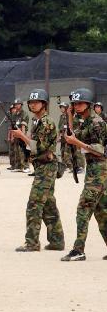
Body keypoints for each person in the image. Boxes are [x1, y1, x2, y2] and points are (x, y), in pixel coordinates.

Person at [11, 89, 64, 252]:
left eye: (36, 102)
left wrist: (22, 136)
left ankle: (32, 242)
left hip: (47, 167)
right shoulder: (37, 121)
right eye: (31, 102)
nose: (33, 105)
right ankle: (56, 240)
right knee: (48, 203)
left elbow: (39, 147)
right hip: (42, 166)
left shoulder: (46, 122)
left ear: (44, 104)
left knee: (34, 203)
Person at [60, 88, 107, 261]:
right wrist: (70, 116)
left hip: (100, 168)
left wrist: (76, 142)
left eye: (80, 103)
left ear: (88, 104)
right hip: (94, 169)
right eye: (74, 104)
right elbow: (72, 135)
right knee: (101, 210)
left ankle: (79, 250)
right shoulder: (85, 121)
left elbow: (100, 151)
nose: (77, 106)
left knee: (84, 207)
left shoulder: (96, 122)